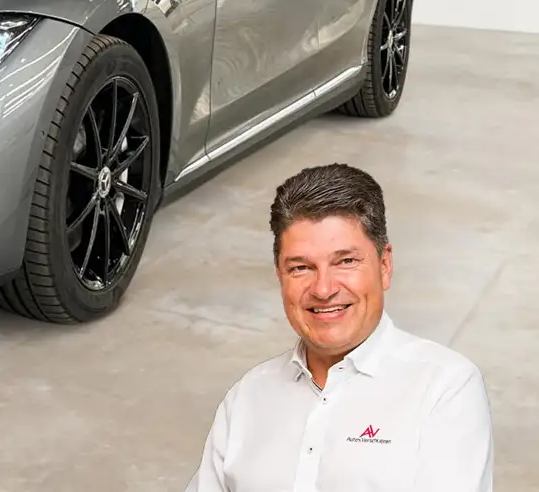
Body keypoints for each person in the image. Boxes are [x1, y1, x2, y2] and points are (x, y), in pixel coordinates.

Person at [184, 163, 494, 491]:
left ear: (384, 265)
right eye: (300, 267)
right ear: (280, 276)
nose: (323, 289)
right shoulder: (248, 396)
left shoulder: (444, 388)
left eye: (345, 261)